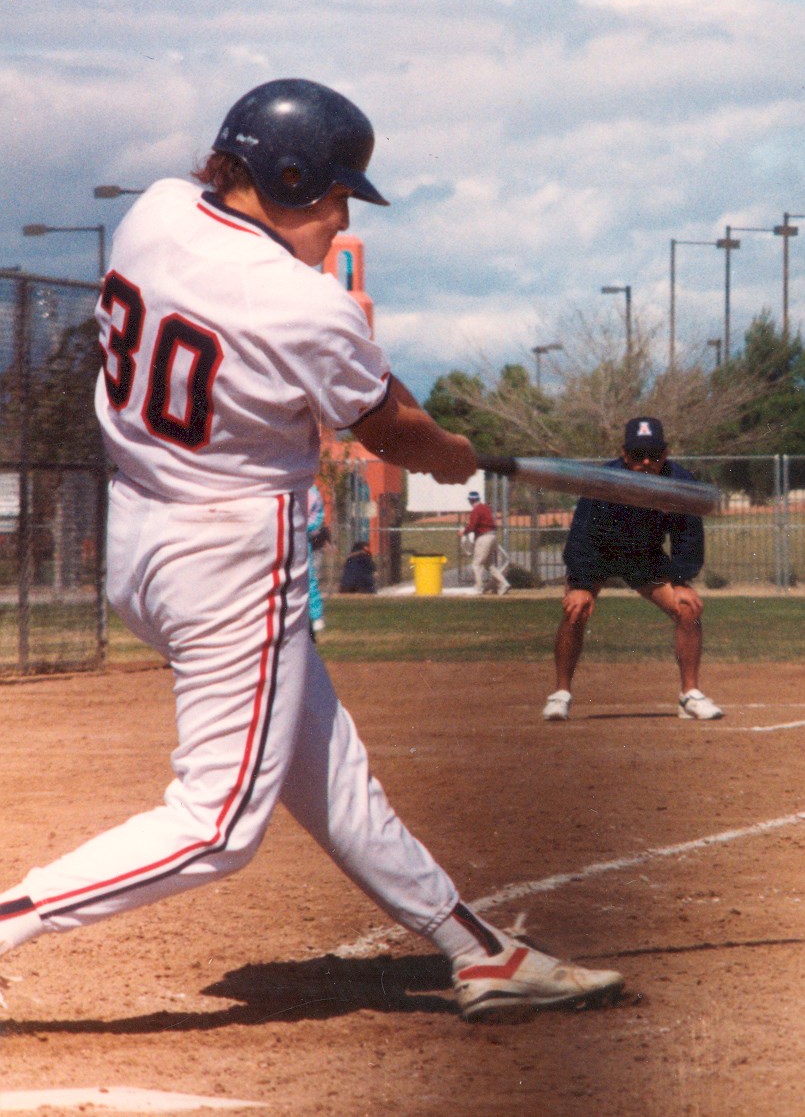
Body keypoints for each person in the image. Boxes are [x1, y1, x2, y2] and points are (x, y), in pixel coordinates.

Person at [0, 78, 622, 1021]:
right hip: (230, 559)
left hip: (140, 539)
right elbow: (392, 434)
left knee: (321, 764)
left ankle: (477, 950)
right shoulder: (302, 306)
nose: (338, 218)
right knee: (217, 824)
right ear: (284, 180)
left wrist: (413, 419)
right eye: (330, 196)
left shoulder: (157, 213)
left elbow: (360, 380)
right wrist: (449, 454)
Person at [543, 416, 723, 723]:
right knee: (575, 609)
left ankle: (689, 696)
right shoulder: (604, 481)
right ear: (624, 455)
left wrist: (681, 581)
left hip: (643, 556)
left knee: (688, 607)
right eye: (638, 455)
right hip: (599, 553)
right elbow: (582, 533)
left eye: (654, 455)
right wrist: (582, 585)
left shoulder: (680, 483)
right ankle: (560, 694)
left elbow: (688, 534)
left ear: (665, 454)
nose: (646, 462)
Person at [461, 489, 510, 595]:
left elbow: (472, 525)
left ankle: (479, 588)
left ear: (470, 500)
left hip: (484, 537)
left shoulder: (476, 510)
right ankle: (504, 583)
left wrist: (463, 532)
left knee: (476, 564)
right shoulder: (485, 508)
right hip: (493, 536)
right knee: (489, 565)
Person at [306, 483, 329, 635]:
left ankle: (316, 616)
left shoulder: (310, 491)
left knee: (308, 579)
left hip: (299, 540)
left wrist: (304, 528)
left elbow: (317, 516)